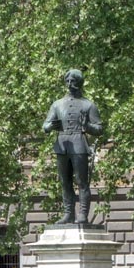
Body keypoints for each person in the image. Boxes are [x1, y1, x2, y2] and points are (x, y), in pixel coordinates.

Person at [42, 68, 103, 225]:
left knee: (82, 182)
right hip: (62, 146)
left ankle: (82, 214)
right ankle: (68, 213)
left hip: (79, 145)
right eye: (68, 81)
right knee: (65, 182)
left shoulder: (88, 105)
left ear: (80, 83)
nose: (70, 84)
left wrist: (87, 125)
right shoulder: (57, 105)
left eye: (73, 81)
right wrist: (50, 127)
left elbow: (99, 129)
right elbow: (46, 125)